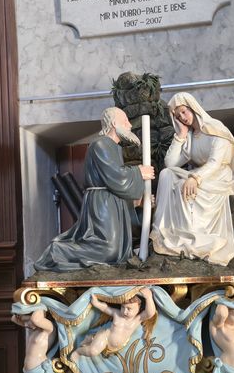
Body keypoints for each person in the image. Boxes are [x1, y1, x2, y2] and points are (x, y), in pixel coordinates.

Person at [35, 107, 154, 272]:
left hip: (109, 200)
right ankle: (58, 251)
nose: (130, 125)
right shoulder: (101, 144)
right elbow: (115, 176)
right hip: (102, 203)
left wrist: (135, 201)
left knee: (114, 250)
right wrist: (139, 172)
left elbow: (112, 183)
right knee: (108, 249)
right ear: (114, 123)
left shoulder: (113, 146)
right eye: (126, 121)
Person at [150, 92, 234, 266]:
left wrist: (195, 177)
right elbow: (170, 164)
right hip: (200, 174)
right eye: (178, 116)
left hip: (217, 176)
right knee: (166, 174)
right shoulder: (191, 136)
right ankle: (160, 229)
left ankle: (193, 236)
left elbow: (215, 163)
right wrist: (181, 135)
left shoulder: (216, 128)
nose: (183, 118)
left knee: (184, 186)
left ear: (192, 107)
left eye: (184, 112)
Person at [71, 287, 156, 361]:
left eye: (129, 309)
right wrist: (96, 303)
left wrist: (149, 297)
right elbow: (105, 308)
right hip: (105, 336)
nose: (124, 311)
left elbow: (150, 313)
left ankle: (90, 338)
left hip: (115, 347)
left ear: (139, 308)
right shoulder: (117, 314)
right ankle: (78, 352)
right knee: (93, 351)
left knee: (95, 347)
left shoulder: (137, 319)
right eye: (123, 307)